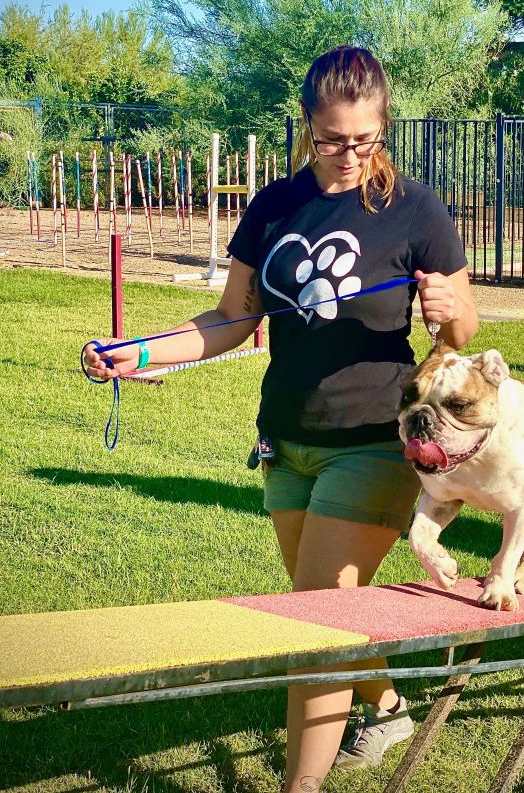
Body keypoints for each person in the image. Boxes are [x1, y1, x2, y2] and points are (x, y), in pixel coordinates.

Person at [84, 46, 478, 792]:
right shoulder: (274, 204)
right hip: (286, 441)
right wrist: (143, 352)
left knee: (314, 629)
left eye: (366, 139)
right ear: (306, 126)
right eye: (332, 139)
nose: (350, 155)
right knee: (317, 603)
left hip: (372, 442)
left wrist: (449, 311)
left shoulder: (415, 208)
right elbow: (233, 319)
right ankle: (388, 705)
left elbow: (462, 333)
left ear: (383, 126)